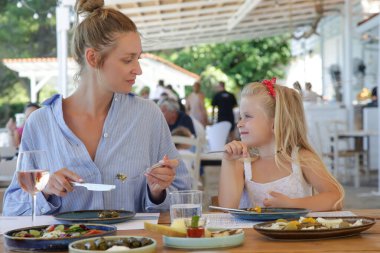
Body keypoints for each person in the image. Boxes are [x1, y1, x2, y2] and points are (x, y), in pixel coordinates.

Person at [3, 0, 191, 216]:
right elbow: (12, 209)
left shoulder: (148, 116)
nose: (138, 70)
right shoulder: (40, 123)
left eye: (137, 59)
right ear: (93, 58)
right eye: (128, 60)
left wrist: (158, 192)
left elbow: (184, 195)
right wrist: (44, 190)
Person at [218, 78, 344, 211]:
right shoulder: (241, 163)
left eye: (247, 116)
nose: (239, 124)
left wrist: (292, 204)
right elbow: (227, 209)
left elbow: (336, 198)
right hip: (252, 233)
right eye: (240, 118)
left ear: (275, 123)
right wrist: (228, 162)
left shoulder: (302, 158)